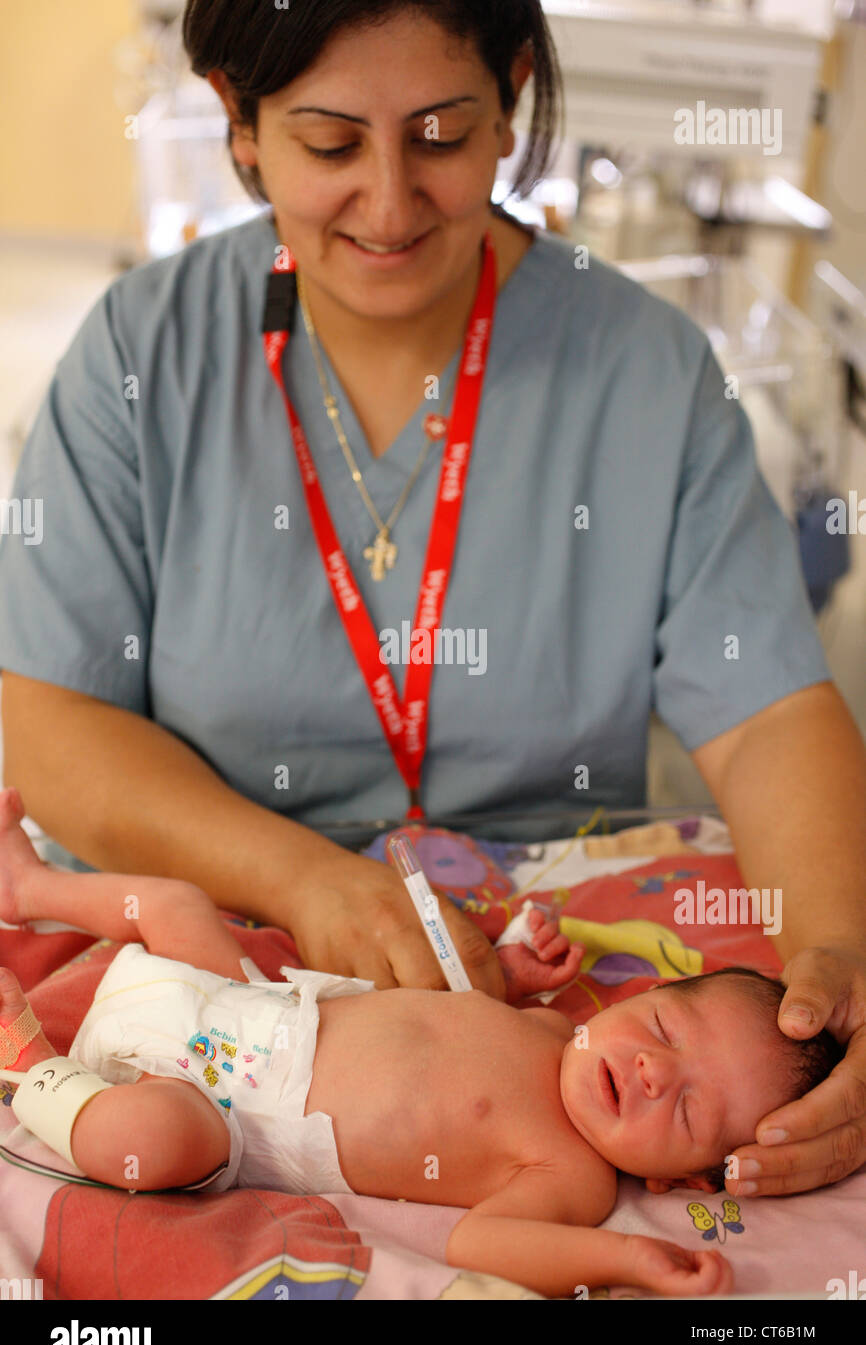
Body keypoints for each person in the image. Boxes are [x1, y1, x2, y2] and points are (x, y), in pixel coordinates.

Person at [0, 2, 864, 1203]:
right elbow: (47, 719)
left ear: (510, 99)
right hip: (218, 949)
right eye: (330, 144)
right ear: (236, 123)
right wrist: (303, 879)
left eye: (442, 134)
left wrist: (836, 957)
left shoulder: (645, 375)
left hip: (530, 961)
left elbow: (767, 709)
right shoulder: (144, 358)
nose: (393, 202)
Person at [0, 788, 842, 1299]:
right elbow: (455, 1008)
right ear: (643, 998)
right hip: (246, 1001)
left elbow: (484, 1244)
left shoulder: (573, 1175)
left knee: (155, 1142)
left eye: (691, 1108)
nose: (656, 1072)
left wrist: (624, 1256)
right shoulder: (552, 1026)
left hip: (232, 1113)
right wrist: (509, 970)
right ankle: (31, 884)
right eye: (664, 1030)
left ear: (683, 1179)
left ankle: (34, 1067)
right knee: (178, 905)